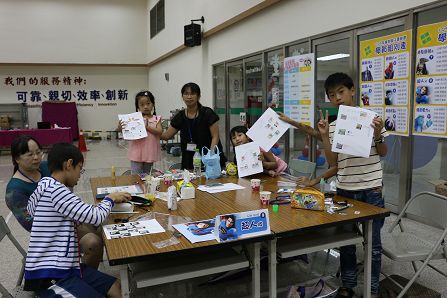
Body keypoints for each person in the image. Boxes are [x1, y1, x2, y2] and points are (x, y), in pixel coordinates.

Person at [283, 73, 387, 297]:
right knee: (347, 242)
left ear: (352, 91)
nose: (337, 98)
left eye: (341, 92)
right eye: (332, 95)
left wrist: (377, 134)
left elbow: (384, 152)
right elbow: (333, 163)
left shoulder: (371, 118)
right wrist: (324, 134)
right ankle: (348, 286)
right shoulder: (332, 126)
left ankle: (373, 289)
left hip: (371, 188)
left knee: (374, 244)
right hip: (345, 190)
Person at [23, 143, 131, 297]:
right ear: (69, 164)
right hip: (50, 274)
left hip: (66, 266)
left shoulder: (44, 184)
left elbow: (32, 209)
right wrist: (110, 199)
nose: (80, 174)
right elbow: (96, 217)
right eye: (80, 168)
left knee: (116, 287)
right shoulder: (57, 191)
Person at [5, 135, 104, 269]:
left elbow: (67, 188)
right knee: (93, 241)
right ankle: (82, 281)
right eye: (29, 154)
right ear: (17, 159)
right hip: (51, 236)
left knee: (102, 226)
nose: (36, 157)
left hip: (68, 221)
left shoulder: (46, 167)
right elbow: (31, 225)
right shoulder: (14, 191)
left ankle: (92, 273)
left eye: (38, 152)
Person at [161, 82, 227, 170]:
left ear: (198, 96)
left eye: (192, 94)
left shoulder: (207, 113)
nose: (189, 97)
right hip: (189, 160)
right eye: (186, 94)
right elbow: (166, 136)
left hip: (210, 158)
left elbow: (215, 137)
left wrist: (210, 156)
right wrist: (150, 129)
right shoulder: (180, 116)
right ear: (182, 96)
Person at [118, 90, 162, 175]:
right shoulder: (134, 119)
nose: (145, 107)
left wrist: (147, 127)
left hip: (150, 153)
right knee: (135, 176)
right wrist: (120, 126)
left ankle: (146, 188)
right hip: (136, 153)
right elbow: (122, 130)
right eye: (142, 105)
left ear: (153, 104)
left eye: (148, 104)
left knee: (147, 177)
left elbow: (160, 131)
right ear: (138, 107)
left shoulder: (156, 118)